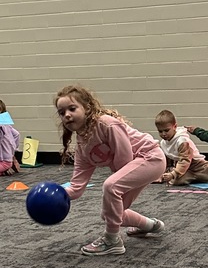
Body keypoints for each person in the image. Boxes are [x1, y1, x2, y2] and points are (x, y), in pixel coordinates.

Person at [55, 85, 166, 256]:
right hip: (138, 164)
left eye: (72, 108)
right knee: (111, 214)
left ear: (87, 108)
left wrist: (116, 188)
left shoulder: (106, 123)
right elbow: (76, 187)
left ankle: (112, 240)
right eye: (62, 113)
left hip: (151, 157)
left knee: (111, 187)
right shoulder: (82, 146)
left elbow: (125, 158)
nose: (67, 115)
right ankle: (151, 225)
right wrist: (54, 193)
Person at [154, 109, 208, 185]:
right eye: (160, 131)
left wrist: (173, 174)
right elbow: (166, 161)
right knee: (175, 182)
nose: (163, 134)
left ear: (175, 126)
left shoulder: (182, 141)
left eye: (166, 130)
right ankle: (192, 177)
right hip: (185, 169)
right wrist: (160, 174)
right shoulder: (163, 143)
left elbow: (185, 160)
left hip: (198, 166)